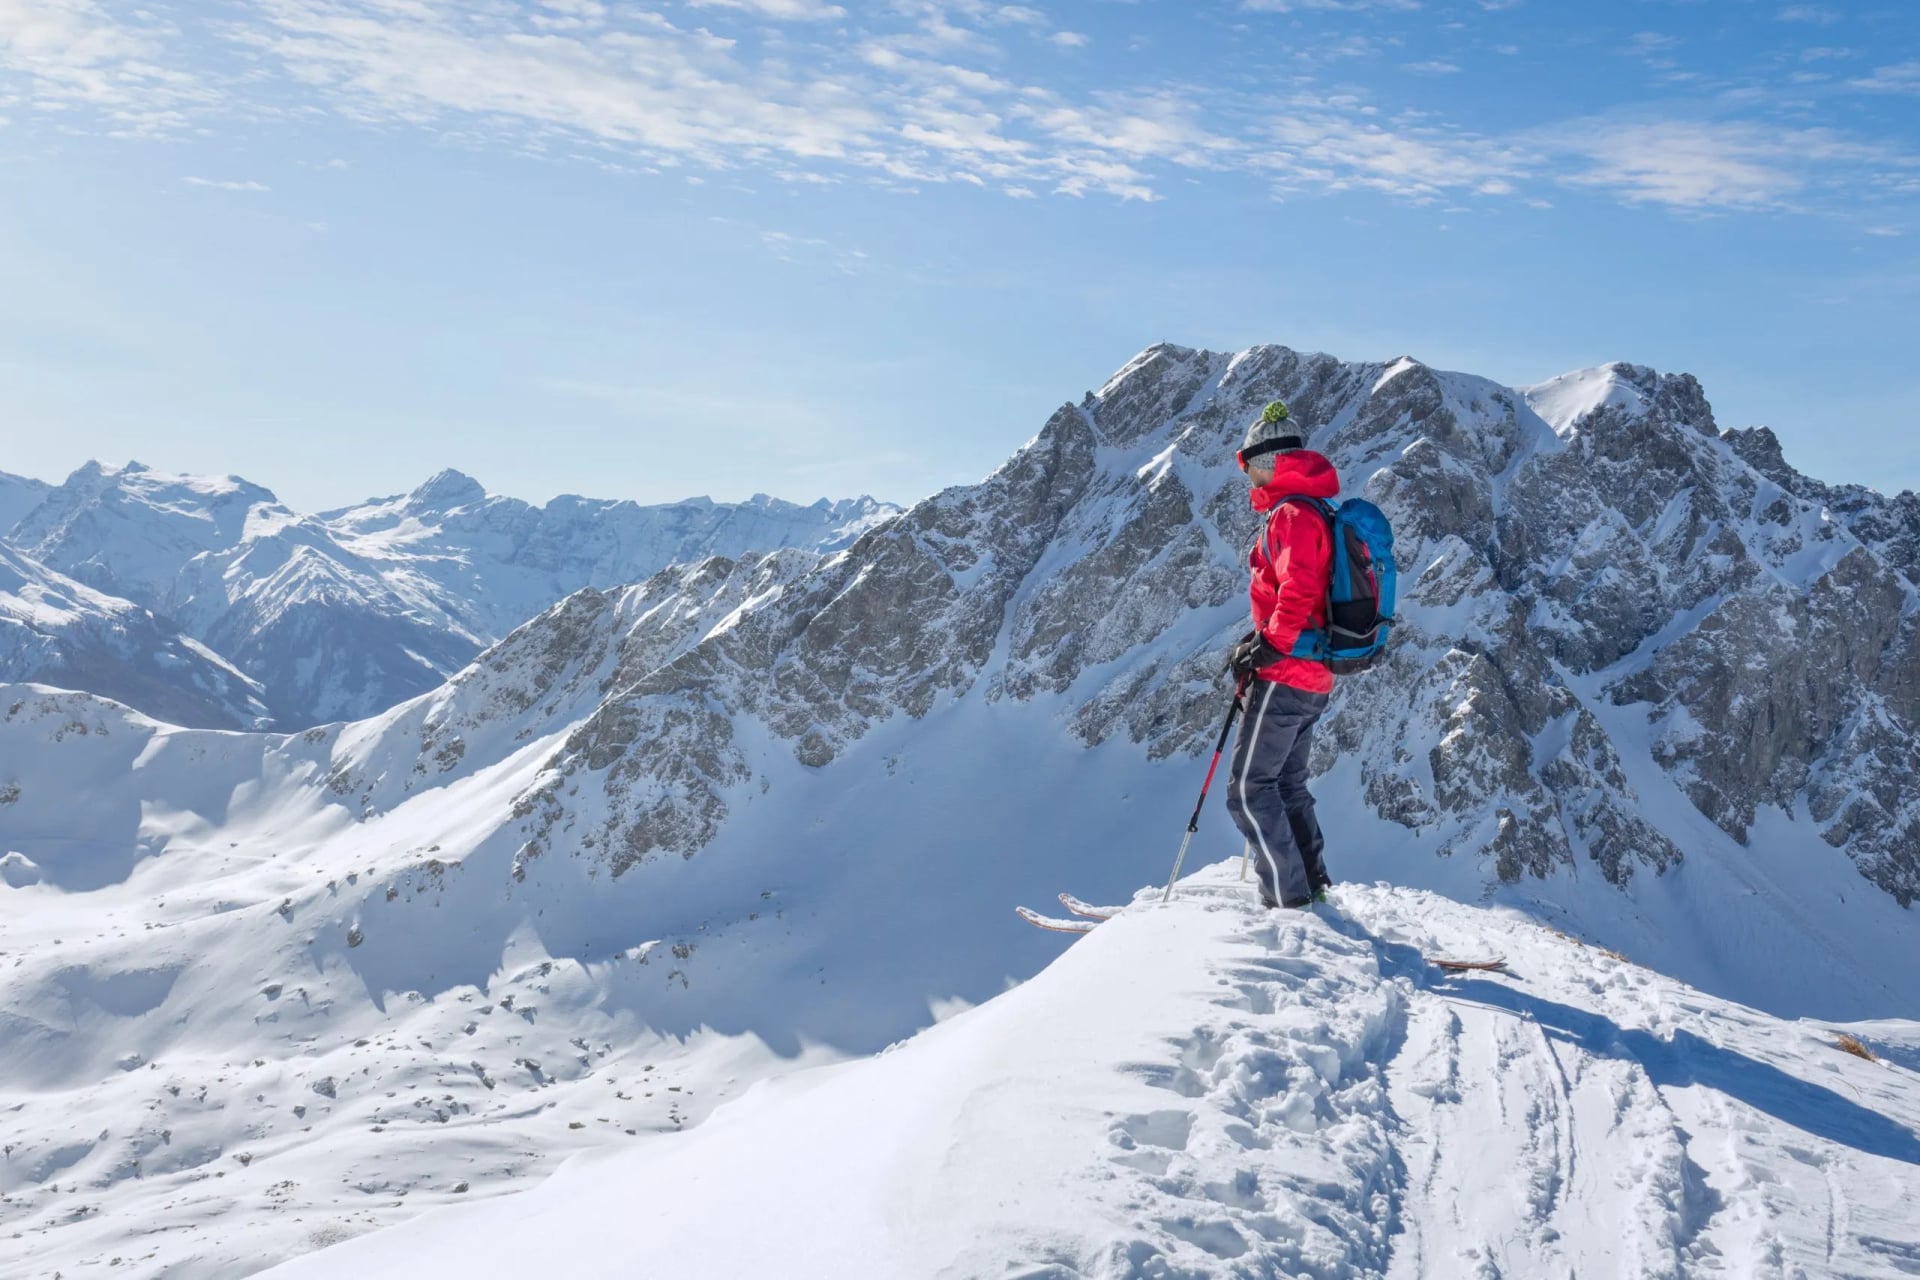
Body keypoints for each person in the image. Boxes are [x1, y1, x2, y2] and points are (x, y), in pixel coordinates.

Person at [1223, 401, 1339, 910]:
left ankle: (1288, 902)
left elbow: (1299, 589)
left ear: (1270, 461)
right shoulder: (1312, 509)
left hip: (1287, 672)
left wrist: (1267, 646)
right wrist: (1261, 641)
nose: (1246, 474)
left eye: (1249, 463)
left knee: (1248, 790)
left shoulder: (1292, 514)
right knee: (1288, 783)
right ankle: (1312, 885)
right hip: (1312, 674)